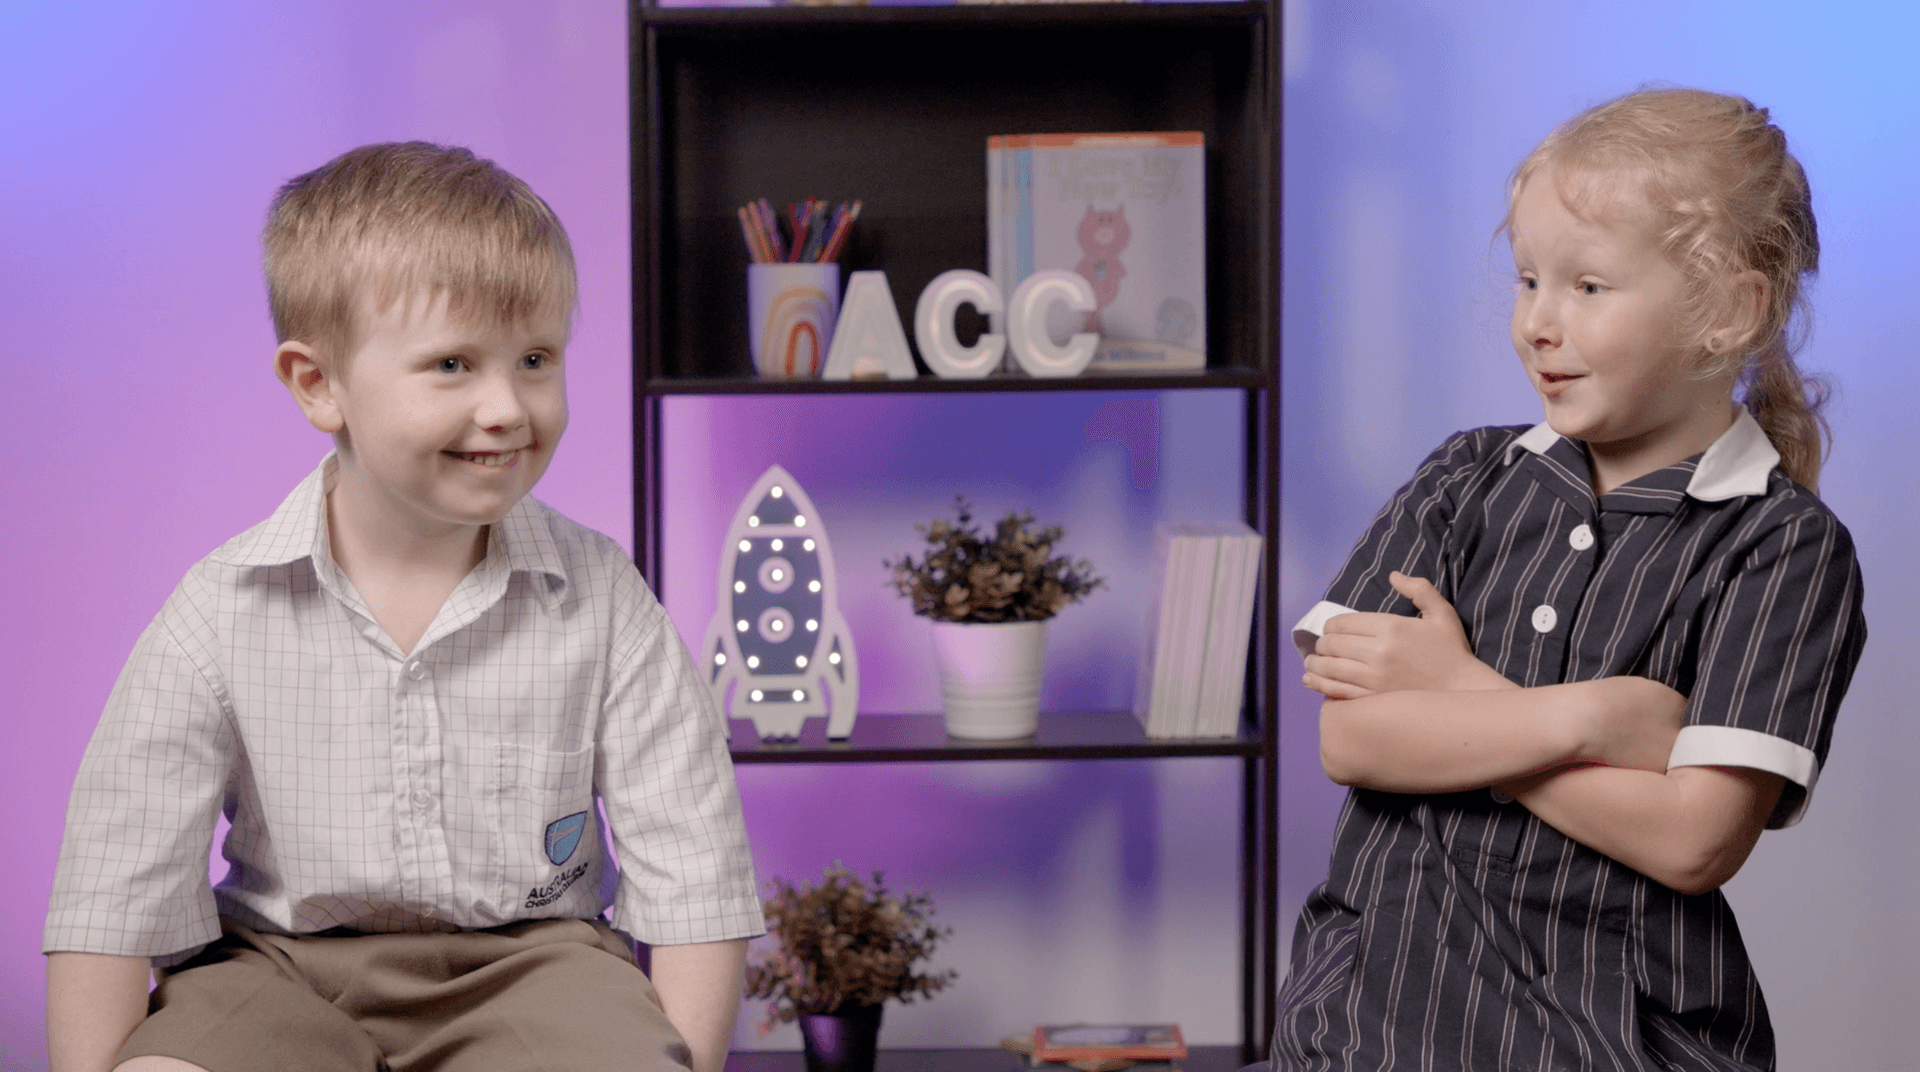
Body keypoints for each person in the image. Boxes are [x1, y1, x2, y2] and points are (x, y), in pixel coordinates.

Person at [43, 143, 763, 1072]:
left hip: (537, 969)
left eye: (535, 358)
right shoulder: (219, 611)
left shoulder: (602, 599)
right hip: (275, 969)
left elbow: (693, 868)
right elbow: (116, 880)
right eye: (453, 364)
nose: (507, 406)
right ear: (319, 384)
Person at [1273, 89, 1866, 1070]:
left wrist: (1460, 698)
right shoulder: (1464, 478)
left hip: (1618, 1042)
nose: (1540, 322)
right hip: (1369, 1026)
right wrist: (1592, 720)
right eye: (1528, 281)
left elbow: (1692, 839)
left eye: (1588, 287)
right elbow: (1355, 734)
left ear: (1729, 310)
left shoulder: (1781, 548)